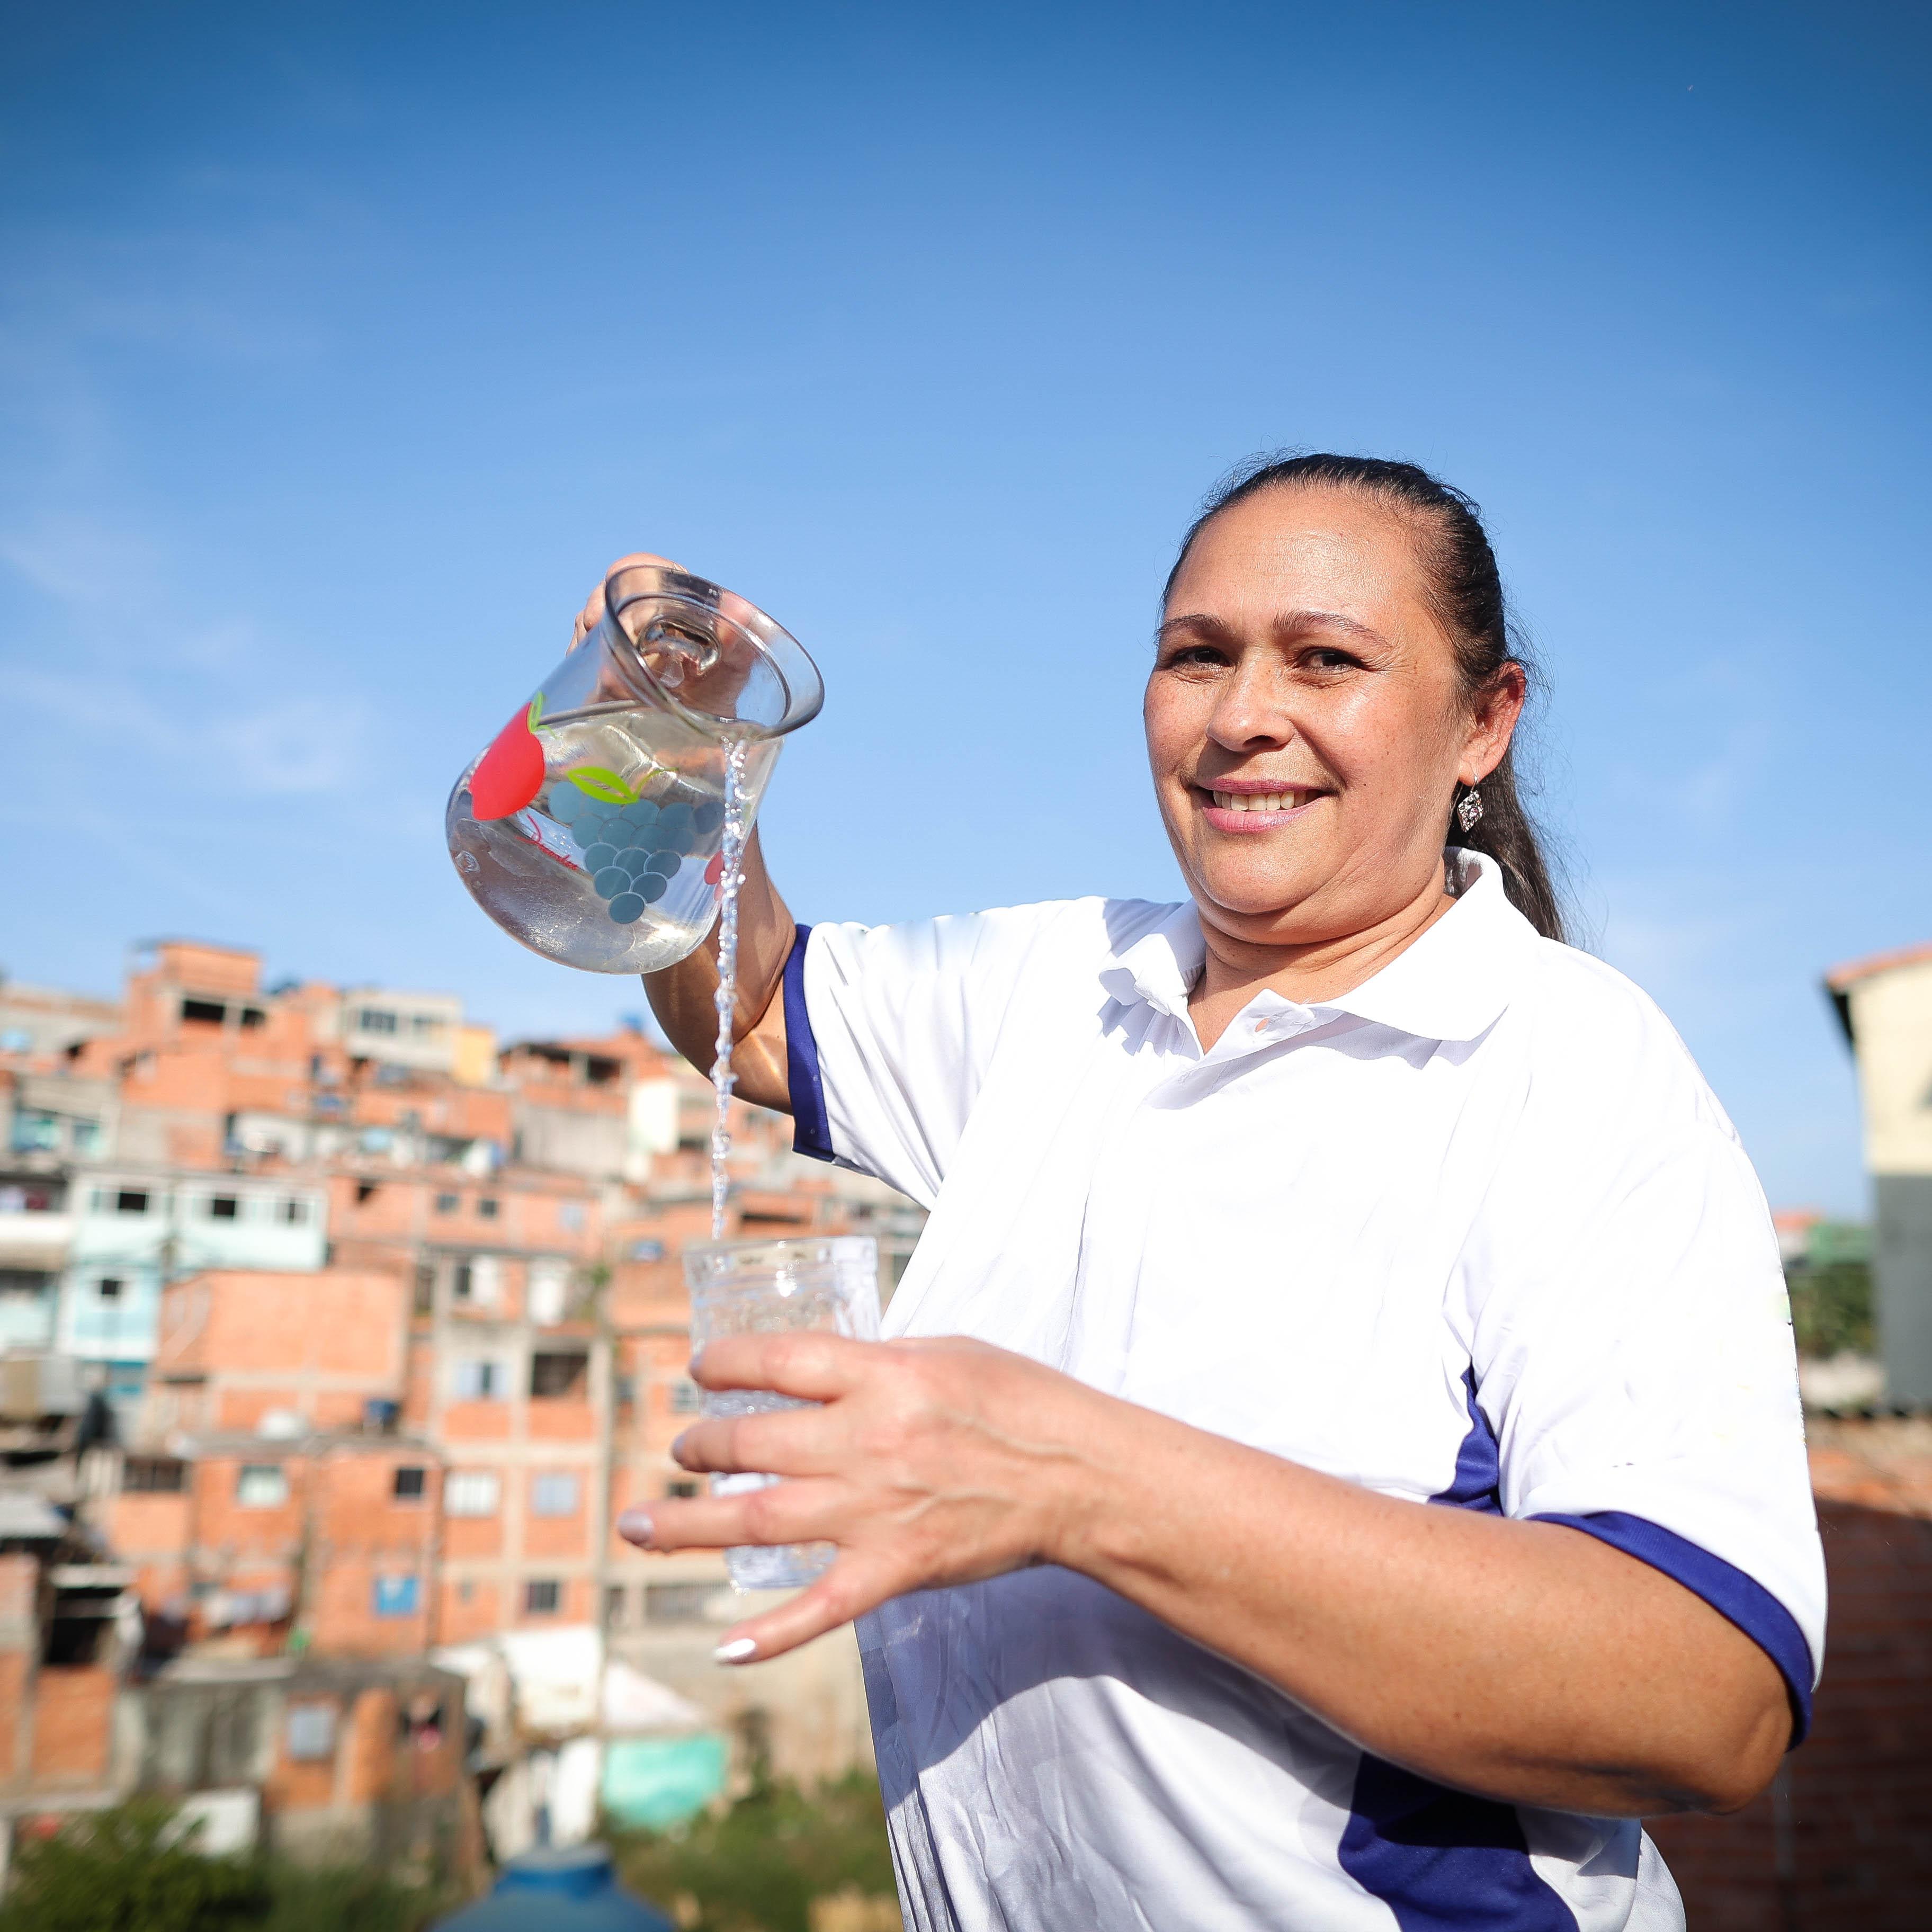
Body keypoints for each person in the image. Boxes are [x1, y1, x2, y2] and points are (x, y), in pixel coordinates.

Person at [605, 454, 1824, 1931]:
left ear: (1484, 722)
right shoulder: (1057, 987)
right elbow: (742, 1011)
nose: (1246, 713)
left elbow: (1704, 1699)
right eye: (1199, 656)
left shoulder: (1569, 1070)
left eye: (1326, 658)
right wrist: (667, 738)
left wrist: (1064, 1477)